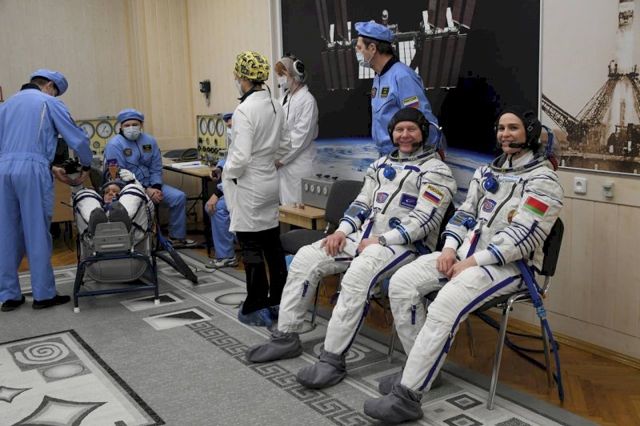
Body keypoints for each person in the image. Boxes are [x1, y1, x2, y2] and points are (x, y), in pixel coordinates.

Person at [364, 106, 564, 423]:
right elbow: (464, 214)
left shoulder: (544, 182)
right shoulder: (486, 173)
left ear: (530, 134)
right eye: (501, 128)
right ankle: (422, 370)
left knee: (445, 303)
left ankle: (408, 396)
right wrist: (449, 249)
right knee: (402, 283)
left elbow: (522, 236)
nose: (505, 134)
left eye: (513, 128)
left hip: (510, 267)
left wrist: (472, 261)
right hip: (465, 257)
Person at [246, 108, 457, 390]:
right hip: (365, 239)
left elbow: (425, 220)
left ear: (423, 133)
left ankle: (332, 359)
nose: (404, 135)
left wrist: (384, 240)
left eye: (411, 129)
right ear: (391, 133)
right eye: (399, 129)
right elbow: (361, 204)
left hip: (406, 246)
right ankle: (286, 335)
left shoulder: (437, 171)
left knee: (358, 274)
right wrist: (341, 231)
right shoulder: (380, 165)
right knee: (307, 257)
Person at [0, 69, 93, 311]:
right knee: (37, 230)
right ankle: (43, 294)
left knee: (7, 232)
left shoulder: (5, 105)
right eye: (56, 91)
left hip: (3, 171)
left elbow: (14, 149)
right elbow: (78, 139)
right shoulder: (49, 102)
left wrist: (49, 166)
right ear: (50, 85)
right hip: (33, 172)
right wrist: (86, 164)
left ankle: (9, 295)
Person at [222, 51, 291, 326]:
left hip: (250, 184)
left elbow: (239, 157)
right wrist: (266, 163)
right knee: (272, 245)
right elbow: (285, 145)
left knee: (251, 247)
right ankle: (278, 301)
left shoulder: (243, 110)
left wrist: (227, 173)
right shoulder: (275, 105)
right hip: (270, 181)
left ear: (243, 78)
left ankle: (255, 305)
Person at [103, 109, 194, 246]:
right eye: (127, 125)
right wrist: (145, 190)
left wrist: (156, 187)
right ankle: (140, 241)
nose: (131, 128)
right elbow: (117, 175)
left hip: (153, 185)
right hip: (129, 189)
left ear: (141, 125)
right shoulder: (114, 145)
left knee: (178, 197)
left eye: (135, 124)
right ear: (120, 127)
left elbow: (156, 167)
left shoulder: (150, 141)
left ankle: (176, 238)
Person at [354, 21, 438, 156]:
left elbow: (421, 120)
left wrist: (423, 157)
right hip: (388, 155)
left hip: (406, 156)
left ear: (372, 48)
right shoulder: (379, 77)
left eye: (359, 47)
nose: (356, 51)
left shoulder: (403, 77)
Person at [274, 55, 319, 205]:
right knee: (285, 210)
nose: (280, 79)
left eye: (282, 74)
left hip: (299, 165)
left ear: (294, 74)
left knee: (298, 210)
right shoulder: (283, 99)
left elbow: (300, 137)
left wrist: (280, 160)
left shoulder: (307, 100)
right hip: (283, 167)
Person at [73, 168, 153, 242]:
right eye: (107, 192)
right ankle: (95, 222)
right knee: (85, 193)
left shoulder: (132, 201)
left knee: (133, 188)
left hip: (132, 236)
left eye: (115, 191)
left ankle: (121, 216)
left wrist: (135, 183)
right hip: (95, 239)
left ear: (122, 195)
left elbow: (149, 206)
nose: (110, 193)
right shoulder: (100, 208)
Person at [204, 113, 238, 269]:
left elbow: (235, 174)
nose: (229, 130)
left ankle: (227, 256)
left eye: (231, 126)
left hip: (244, 191)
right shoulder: (236, 141)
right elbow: (228, 160)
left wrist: (217, 194)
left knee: (216, 207)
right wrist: (219, 168)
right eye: (227, 127)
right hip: (234, 189)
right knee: (212, 206)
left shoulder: (246, 143)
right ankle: (227, 249)